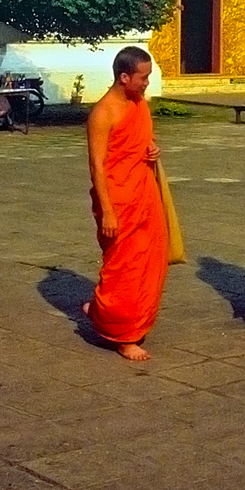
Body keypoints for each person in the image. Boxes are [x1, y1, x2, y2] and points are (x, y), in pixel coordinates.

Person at [82, 46, 168, 361]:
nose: (147, 82)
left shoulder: (137, 104)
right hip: (117, 199)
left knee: (149, 262)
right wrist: (107, 211)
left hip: (143, 192)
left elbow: (140, 142)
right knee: (124, 267)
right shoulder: (103, 113)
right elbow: (97, 165)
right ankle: (122, 334)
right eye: (143, 77)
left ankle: (106, 312)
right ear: (124, 77)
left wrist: (152, 151)